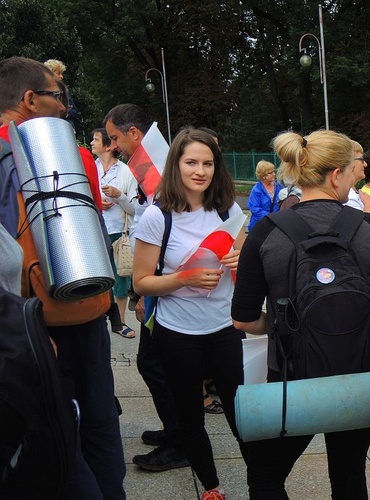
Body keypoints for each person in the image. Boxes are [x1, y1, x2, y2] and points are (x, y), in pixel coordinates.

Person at [231, 129, 370, 499]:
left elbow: (243, 319)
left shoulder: (265, 233)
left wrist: (280, 326)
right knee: (349, 474)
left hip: (293, 376)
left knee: (266, 475)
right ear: (336, 175)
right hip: (359, 376)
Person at [1, 56, 126, 499]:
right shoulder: (70, 155)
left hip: (31, 326)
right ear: (30, 99)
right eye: (60, 96)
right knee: (99, 422)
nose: (66, 108)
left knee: (53, 434)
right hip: (89, 303)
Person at [132, 128, 248, 500]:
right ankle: (211, 488)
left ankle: (263, 479)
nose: (200, 171)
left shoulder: (229, 209)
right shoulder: (156, 216)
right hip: (177, 332)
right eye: (191, 162)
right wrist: (183, 277)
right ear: (175, 164)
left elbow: (245, 269)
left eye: (208, 163)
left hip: (224, 327)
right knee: (189, 415)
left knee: (240, 413)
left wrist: (238, 260)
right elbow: (141, 282)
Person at [104, 103, 190, 471]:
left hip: (162, 284)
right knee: (157, 362)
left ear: (133, 134)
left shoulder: (154, 164)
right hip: (161, 282)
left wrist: (145, 293)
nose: (112, 146)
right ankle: (178, 432)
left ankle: (181, 440)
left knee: (154, 362)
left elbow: (164, 230)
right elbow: (147, 214)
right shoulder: (153, 162)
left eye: (114, 138)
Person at [91, 127, 138, 338]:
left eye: (95, 139)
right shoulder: (90, 169)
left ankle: (120, 322)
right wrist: (96, 202)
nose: (91, 143)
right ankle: (98, 319)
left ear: (108, 146)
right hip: (95, 231)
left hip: (118, 231)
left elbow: (135, 209)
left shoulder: (126, 172)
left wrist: (119, 196)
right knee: (99, 277)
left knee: (120, 278)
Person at [247, 160, 282, 231]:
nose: (274, 174)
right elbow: (255, 209)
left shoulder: (279, 186)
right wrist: (270, 217)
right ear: (263, 176)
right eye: (270, 173)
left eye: (273, 172)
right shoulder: (256, 190)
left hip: (276, 224)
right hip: (261, 225)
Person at [43, 59, 77, 130]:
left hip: (65, 124)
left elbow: (74, 111)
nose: (61, 76)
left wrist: (66, 114)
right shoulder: (41, 92)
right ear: (49, 74)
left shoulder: (65, 92)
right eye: (58, 73)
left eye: (62, 74)